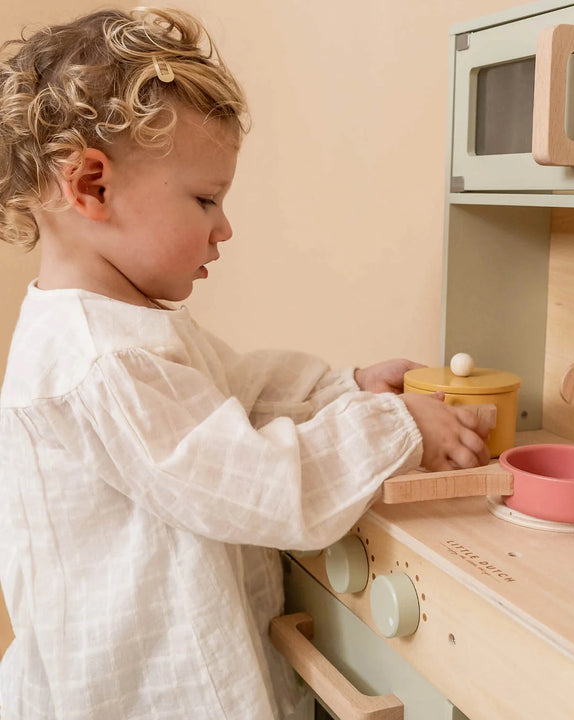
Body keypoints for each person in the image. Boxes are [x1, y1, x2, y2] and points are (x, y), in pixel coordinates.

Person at [0, 7, 490, 719]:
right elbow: (260, 487)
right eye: (206, 200)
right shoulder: (99, 361)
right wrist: (393, 425)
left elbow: (236, 395)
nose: (223, 227)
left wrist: (342, 388)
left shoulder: (124, 329)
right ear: (92, 188)